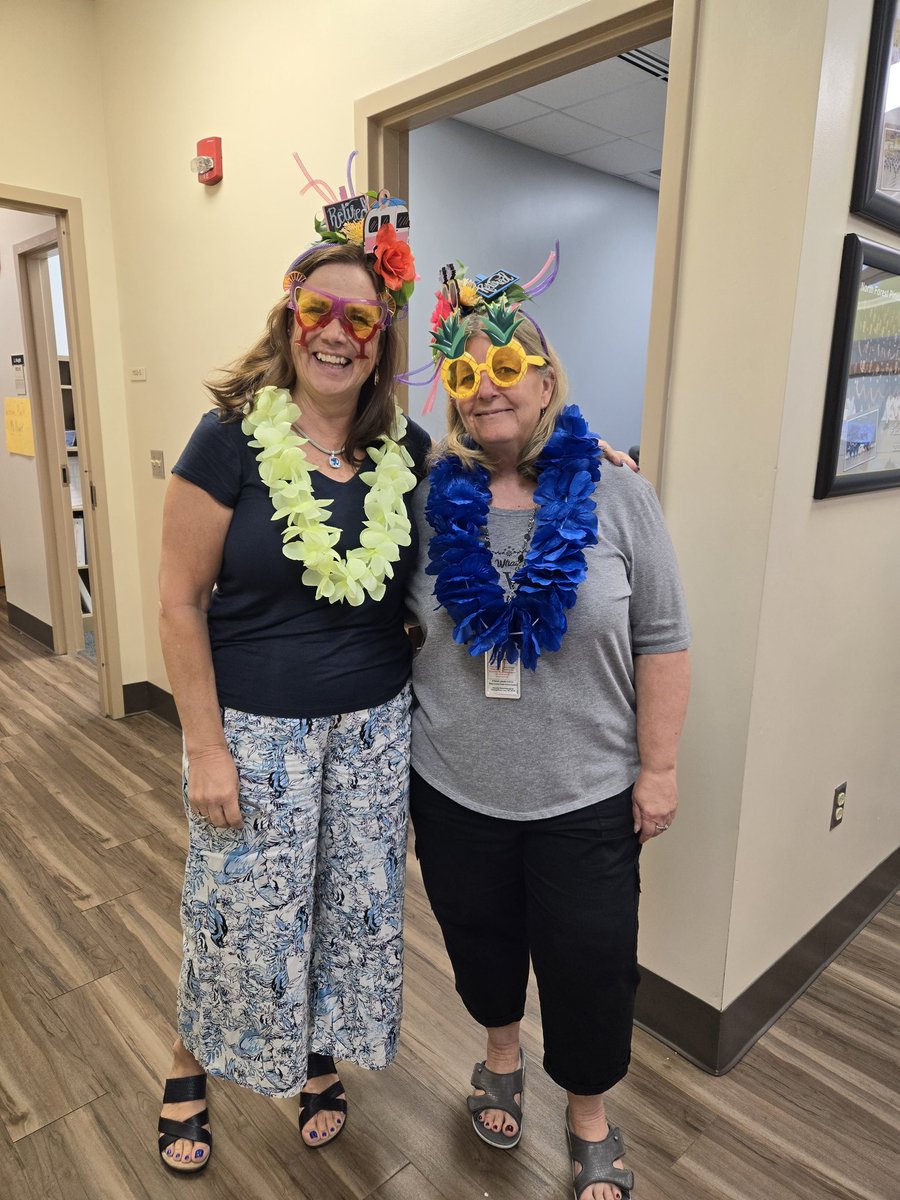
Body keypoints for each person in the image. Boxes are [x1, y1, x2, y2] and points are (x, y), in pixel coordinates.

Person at [155, 197, 432, 1173]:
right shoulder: (227, 439)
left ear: (380, 340)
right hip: (256, 730)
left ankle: (318, 1056)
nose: (337, 335)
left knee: (342, 911)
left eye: (361, 320)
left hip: (373, 731)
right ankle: (189, 1060)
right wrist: (204, 746)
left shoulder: (406, 455)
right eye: (320, 310)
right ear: (289, 317)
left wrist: (589, 467)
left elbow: (465, 539)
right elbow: (180, 603)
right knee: (234, 913)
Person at [405, 265, 691, 1200]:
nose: (486, 384)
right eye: (465, 372)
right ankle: (497, 1058)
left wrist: (659, 768)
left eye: (508, 365)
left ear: (545, 378)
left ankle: (588, 1113)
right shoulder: (422, 497)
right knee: (479, 938)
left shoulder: (616, 493)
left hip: (589, 791)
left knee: (591, 960)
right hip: (455, 782)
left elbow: (663, 637)